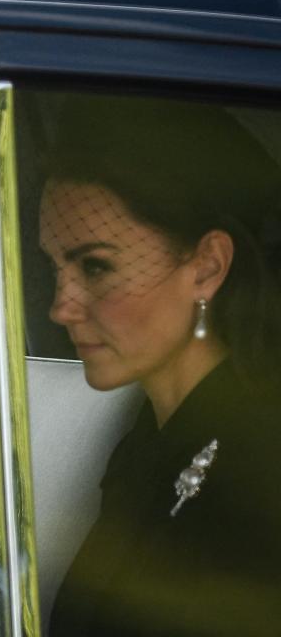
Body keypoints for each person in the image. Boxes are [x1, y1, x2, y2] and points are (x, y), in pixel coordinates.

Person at [37, 94, 281, 636]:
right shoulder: (144, 440)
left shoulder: (263, 459)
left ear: (206, 267)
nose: (61, 306)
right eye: (54, 266)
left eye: (96, 266)